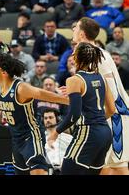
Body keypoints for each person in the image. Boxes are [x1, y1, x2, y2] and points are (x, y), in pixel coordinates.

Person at [0, 53, 68, 175]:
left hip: (31, 136)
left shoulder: (20, 88)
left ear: (4, 73)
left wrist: (68, 100)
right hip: (16, 138)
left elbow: (42, 94)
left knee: (38, 171)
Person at [72, 17, 129, 175]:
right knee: (108, 165)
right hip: (109, 115)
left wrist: (101, 115)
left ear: (82, 34)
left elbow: (111, 90)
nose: (73, 31)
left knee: (114, 165)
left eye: (75, 27)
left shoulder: (97, 56)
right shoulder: (94, 54)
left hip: (115, 115)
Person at [48, 42, 115, 175]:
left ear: (77, 57)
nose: (72, 55)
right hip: (105, 133)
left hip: (88, 132)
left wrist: (55, 132)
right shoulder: (101, 77)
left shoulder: (74, 80)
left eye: (74, 53)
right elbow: (112, 109)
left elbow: (74, 114)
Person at [42, 109, 72, 174]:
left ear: (57, 119)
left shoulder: (68, 138)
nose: (48, 120)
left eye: (51, 117)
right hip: (47, 171)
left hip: (65, 170)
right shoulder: (40, 138)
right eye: (45, 118)